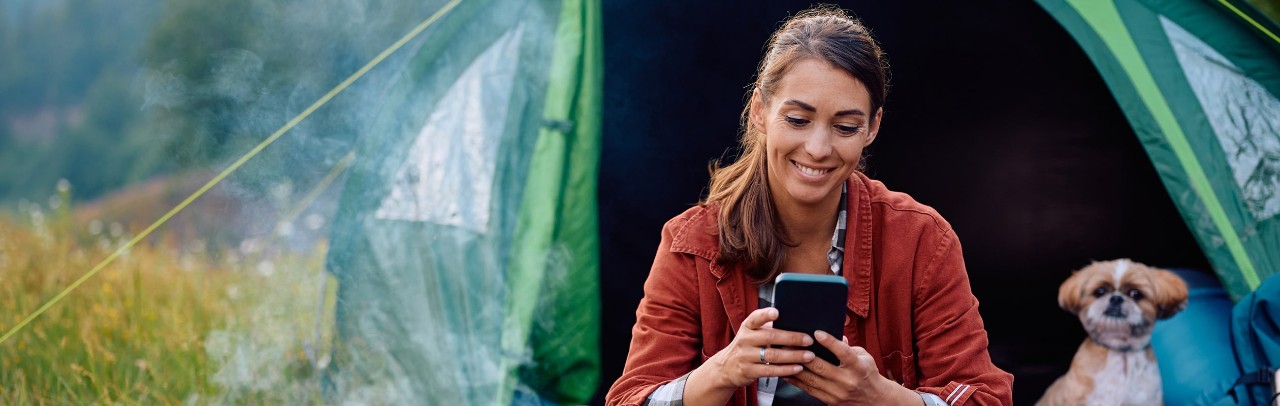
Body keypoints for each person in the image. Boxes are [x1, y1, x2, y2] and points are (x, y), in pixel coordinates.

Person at [605, 5, 1013, 406]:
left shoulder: (921, 240)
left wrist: (879, 398)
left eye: (846, 127)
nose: (818, 149)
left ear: (873, 128)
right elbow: (630, 398)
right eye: (798, 120)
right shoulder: (691, 241)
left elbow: (986, 398)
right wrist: (722, 372)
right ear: (760, 112)